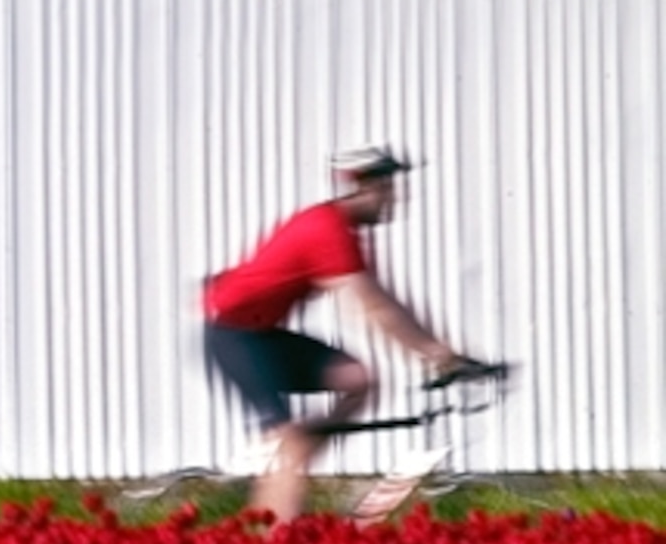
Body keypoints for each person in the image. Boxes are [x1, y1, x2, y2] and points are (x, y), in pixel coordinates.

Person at [201, 149, 480, 522]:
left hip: (261, 333)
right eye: (389, 188)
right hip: (233, 335)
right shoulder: (325, 230)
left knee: (357, 380)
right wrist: (442, 357)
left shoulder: (337, 229)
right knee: (290, 443)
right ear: (367, 186)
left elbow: (387, 302)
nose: (396, 197)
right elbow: (374, 308)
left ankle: (286, 466)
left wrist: (440, 354)